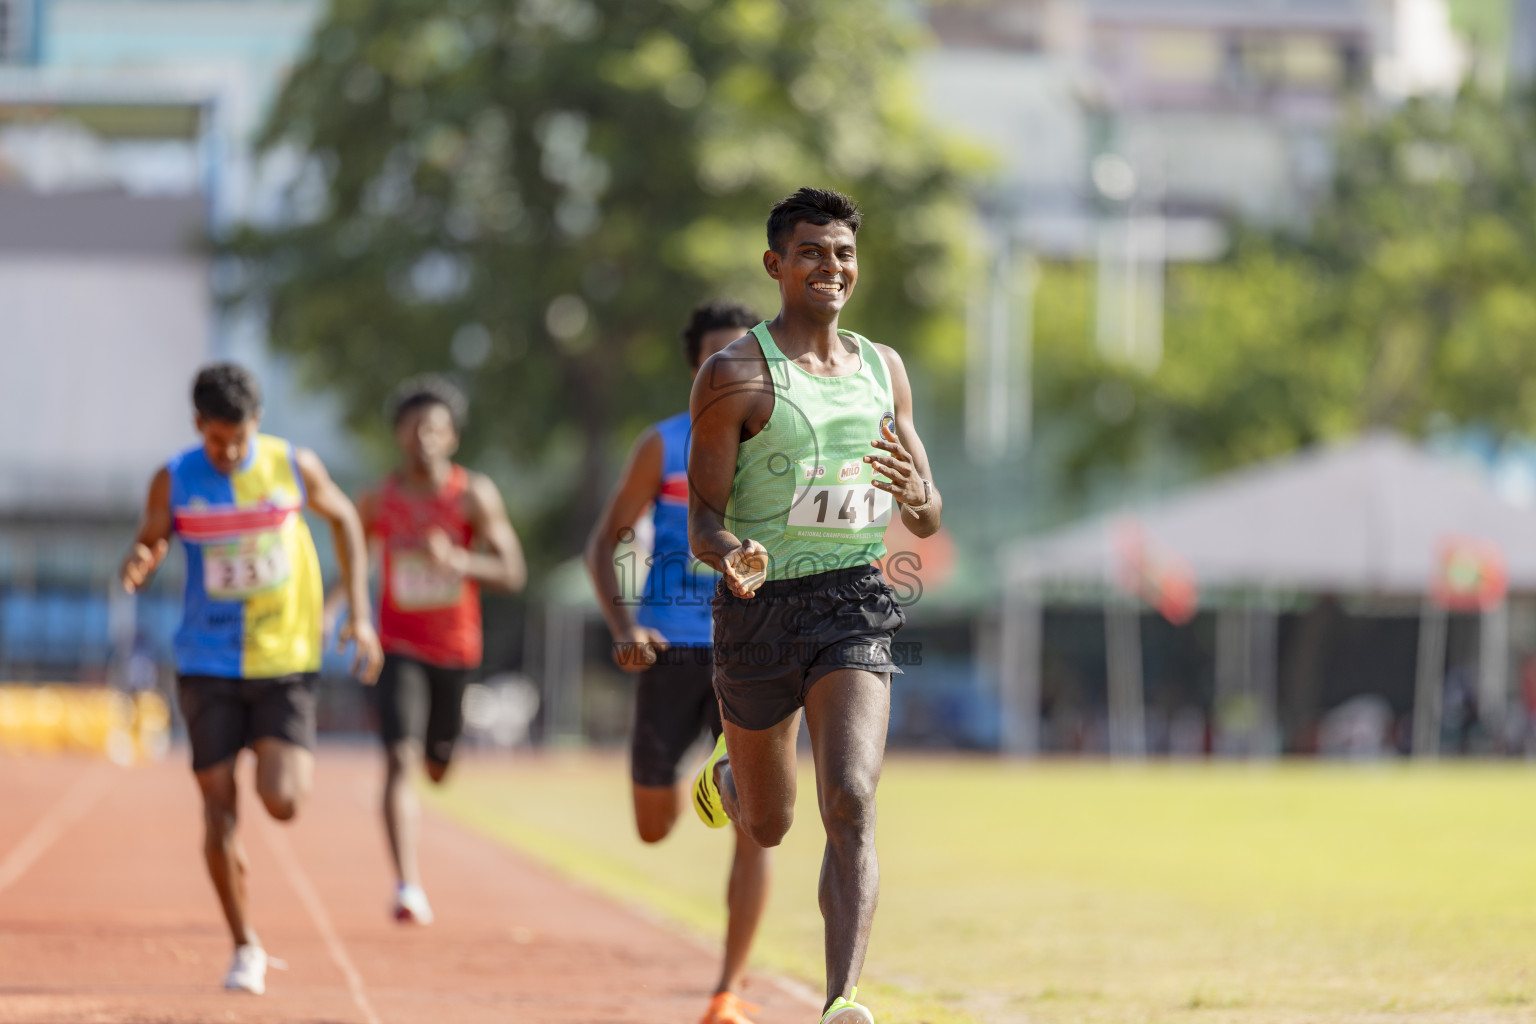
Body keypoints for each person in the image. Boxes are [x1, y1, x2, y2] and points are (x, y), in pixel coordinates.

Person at [686, 188, 942, 1024]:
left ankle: (842, 1002)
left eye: (842, 254)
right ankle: (734, 774)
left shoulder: (884, 368)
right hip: (760, 611)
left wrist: (918, 493)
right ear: (775, 265)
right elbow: (703, 521)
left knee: (853, 797)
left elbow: (928, 510)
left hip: (856, 601)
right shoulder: (734, 377)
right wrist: (737, 557)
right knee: (767, 825)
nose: (831, 268)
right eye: (811, 253)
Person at [121, 363, 382, 996]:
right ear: (198, 428)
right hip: (207, 660)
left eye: (238, 440)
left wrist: (360, 616)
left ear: (256, 424)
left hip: (284, 658)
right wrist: (141, 558)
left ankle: (251, 912)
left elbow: (346, 520)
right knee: (217, 811)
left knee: (284, 801)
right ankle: (245, 947)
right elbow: (151, 537)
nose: (229, 452)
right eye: (217, 441)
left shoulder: (293, 466)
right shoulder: (177, 477)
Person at [585, 301, 771, 1024]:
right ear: (696, 366)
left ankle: (727, 989)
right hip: (669, 651)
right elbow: (604, 544)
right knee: (654, 825)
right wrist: (625, 623)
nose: (731, 368)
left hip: (751, 654)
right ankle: (710, 776)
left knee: (759, 823)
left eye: (744, 355)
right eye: (716, 356)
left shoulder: (782, 445)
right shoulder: (660, 447)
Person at [354, 375, 526, 924]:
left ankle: (440, 754)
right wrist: (345, 612)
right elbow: (354, 559)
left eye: (435, 428)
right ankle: (407, 884)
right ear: (398, 436)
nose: (423, 438)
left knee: (436, 765)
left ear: (451, 438)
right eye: (413, 428)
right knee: (399, 760)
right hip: (397, 644)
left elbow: (513, 571)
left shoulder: (473, 494)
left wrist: (460, 562)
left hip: (455, 648)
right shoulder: (378, 499)